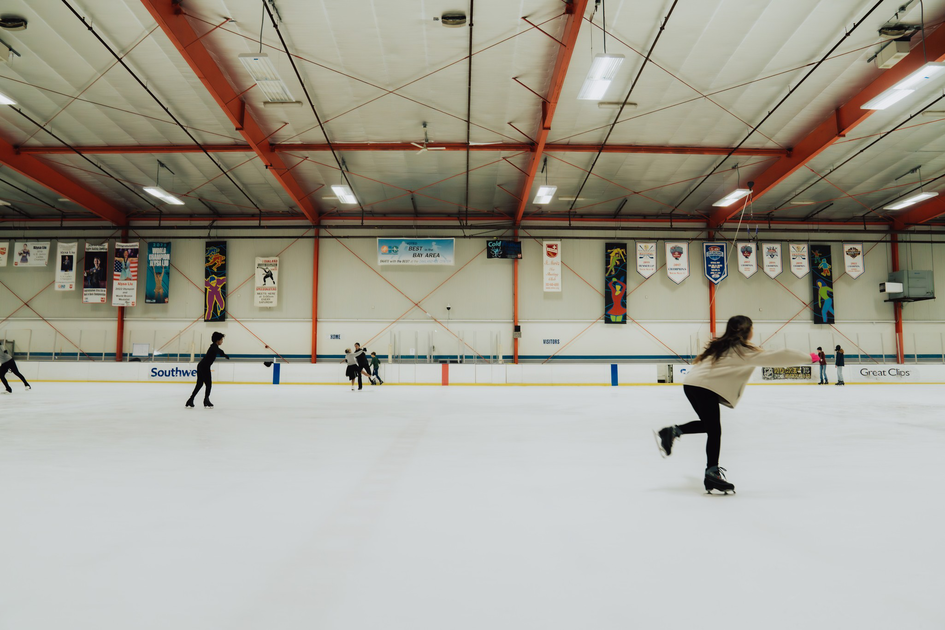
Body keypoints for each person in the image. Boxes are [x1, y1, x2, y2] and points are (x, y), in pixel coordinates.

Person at [655, 315, 814, 494]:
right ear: (748, 331)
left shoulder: (720, 346)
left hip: (691, 384)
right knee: (714, 430)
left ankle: (673, 432)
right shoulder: (743, 351)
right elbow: (778, 356)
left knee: (710, 426)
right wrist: (809, 357)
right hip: (704, 387)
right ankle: (712, 473)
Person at [186, 332, 229, 408]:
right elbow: (219, 351)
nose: (222, 341)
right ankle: (206, 400)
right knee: (208, 384)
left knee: (200, 384)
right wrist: (225, 355)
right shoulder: (214, 347)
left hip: (202, 365)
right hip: (204, 367)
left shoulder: (213, 347)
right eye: (221, 339)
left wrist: (224, 355)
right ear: (217, 340)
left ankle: (191, 400)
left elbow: (219, 351)